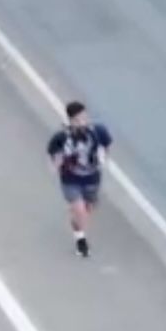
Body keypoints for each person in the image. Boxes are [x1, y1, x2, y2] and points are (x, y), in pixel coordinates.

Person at [47, 100, 112, 257]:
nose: (82, 122)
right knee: (80, 211)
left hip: (92, 178)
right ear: (70, 121)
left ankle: (78, 224)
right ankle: (81, 240)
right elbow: (53, 153)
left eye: (84, 118)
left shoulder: (97, 131)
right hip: (71, 179)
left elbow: (107, 144)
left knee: (88, 208)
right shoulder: (62, 137)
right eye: (77, 120)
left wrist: (104, 157)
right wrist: (55, 165)